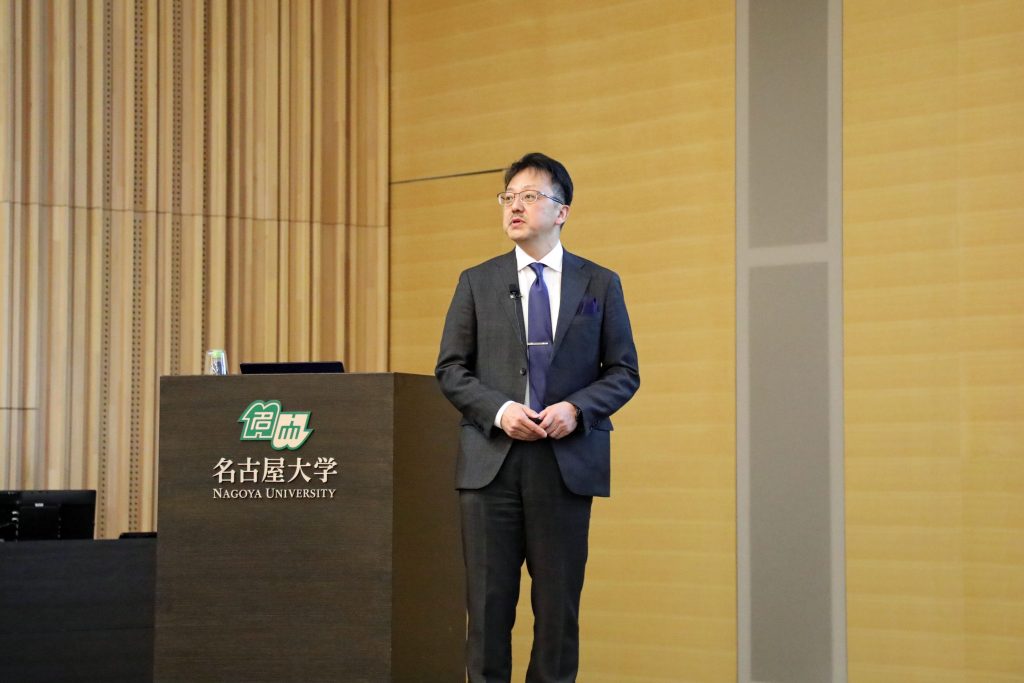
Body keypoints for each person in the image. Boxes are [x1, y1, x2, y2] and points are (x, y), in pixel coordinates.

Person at [435, 152, 640, 682]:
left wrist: (578, 409)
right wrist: (501, 411)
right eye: (508, 197)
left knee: (557, 616)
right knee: (487, 612)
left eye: (530, 196)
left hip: (564, 464)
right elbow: (451, 369)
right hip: (491, 468)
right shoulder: (477, 281)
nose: (515, 207)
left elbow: (623, 372)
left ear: (562, 211)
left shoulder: (599, 284)